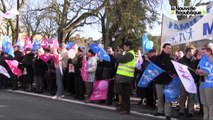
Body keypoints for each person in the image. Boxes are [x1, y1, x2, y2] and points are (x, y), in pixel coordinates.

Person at [153, 43, 176, 120]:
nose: (169, 49)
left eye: (170, 48)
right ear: (163, 48)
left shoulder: (172, 59)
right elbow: (154, 68)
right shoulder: (157, 58)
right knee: (159, 98)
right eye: (167, 48)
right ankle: (160, 111)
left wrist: (172, 74)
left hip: (168, 82)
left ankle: (168, 114)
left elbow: (175, 71)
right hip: (159, 81)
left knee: (168, 98)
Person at [115, 41, 136, 114]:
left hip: (126, 77)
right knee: (123, 93)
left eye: (124, 46)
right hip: (124, 77)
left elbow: (120, 60)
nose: (123, 48)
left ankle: (127, 110)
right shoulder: (128, 53)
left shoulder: (130, 54)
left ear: (128, 46)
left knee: (126, 94)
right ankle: (123, 107)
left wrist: (117, 54)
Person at [178, 47, 198, 118]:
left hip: (192, 81)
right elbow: (177, 70)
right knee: (182, 96)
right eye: (192, 52)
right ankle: (181, 110)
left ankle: (190, 111)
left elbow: (197, 71)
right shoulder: (180, 61)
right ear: (187, 52)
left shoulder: (195, 60)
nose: (193, 53)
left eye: (193, 52)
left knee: (191, 97)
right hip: (183, 81)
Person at [196, 47, 213, 120]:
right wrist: (198, 72)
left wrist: (203, 72)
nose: (201, 54)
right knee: (204, 102)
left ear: (209, 52)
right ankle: (205, 117)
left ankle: (211, 118)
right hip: (202, 82)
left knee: (210, 103)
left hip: (209, 84)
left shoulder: (211, 60)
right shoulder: (202, 60)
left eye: (203, 52)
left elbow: (211, 73)